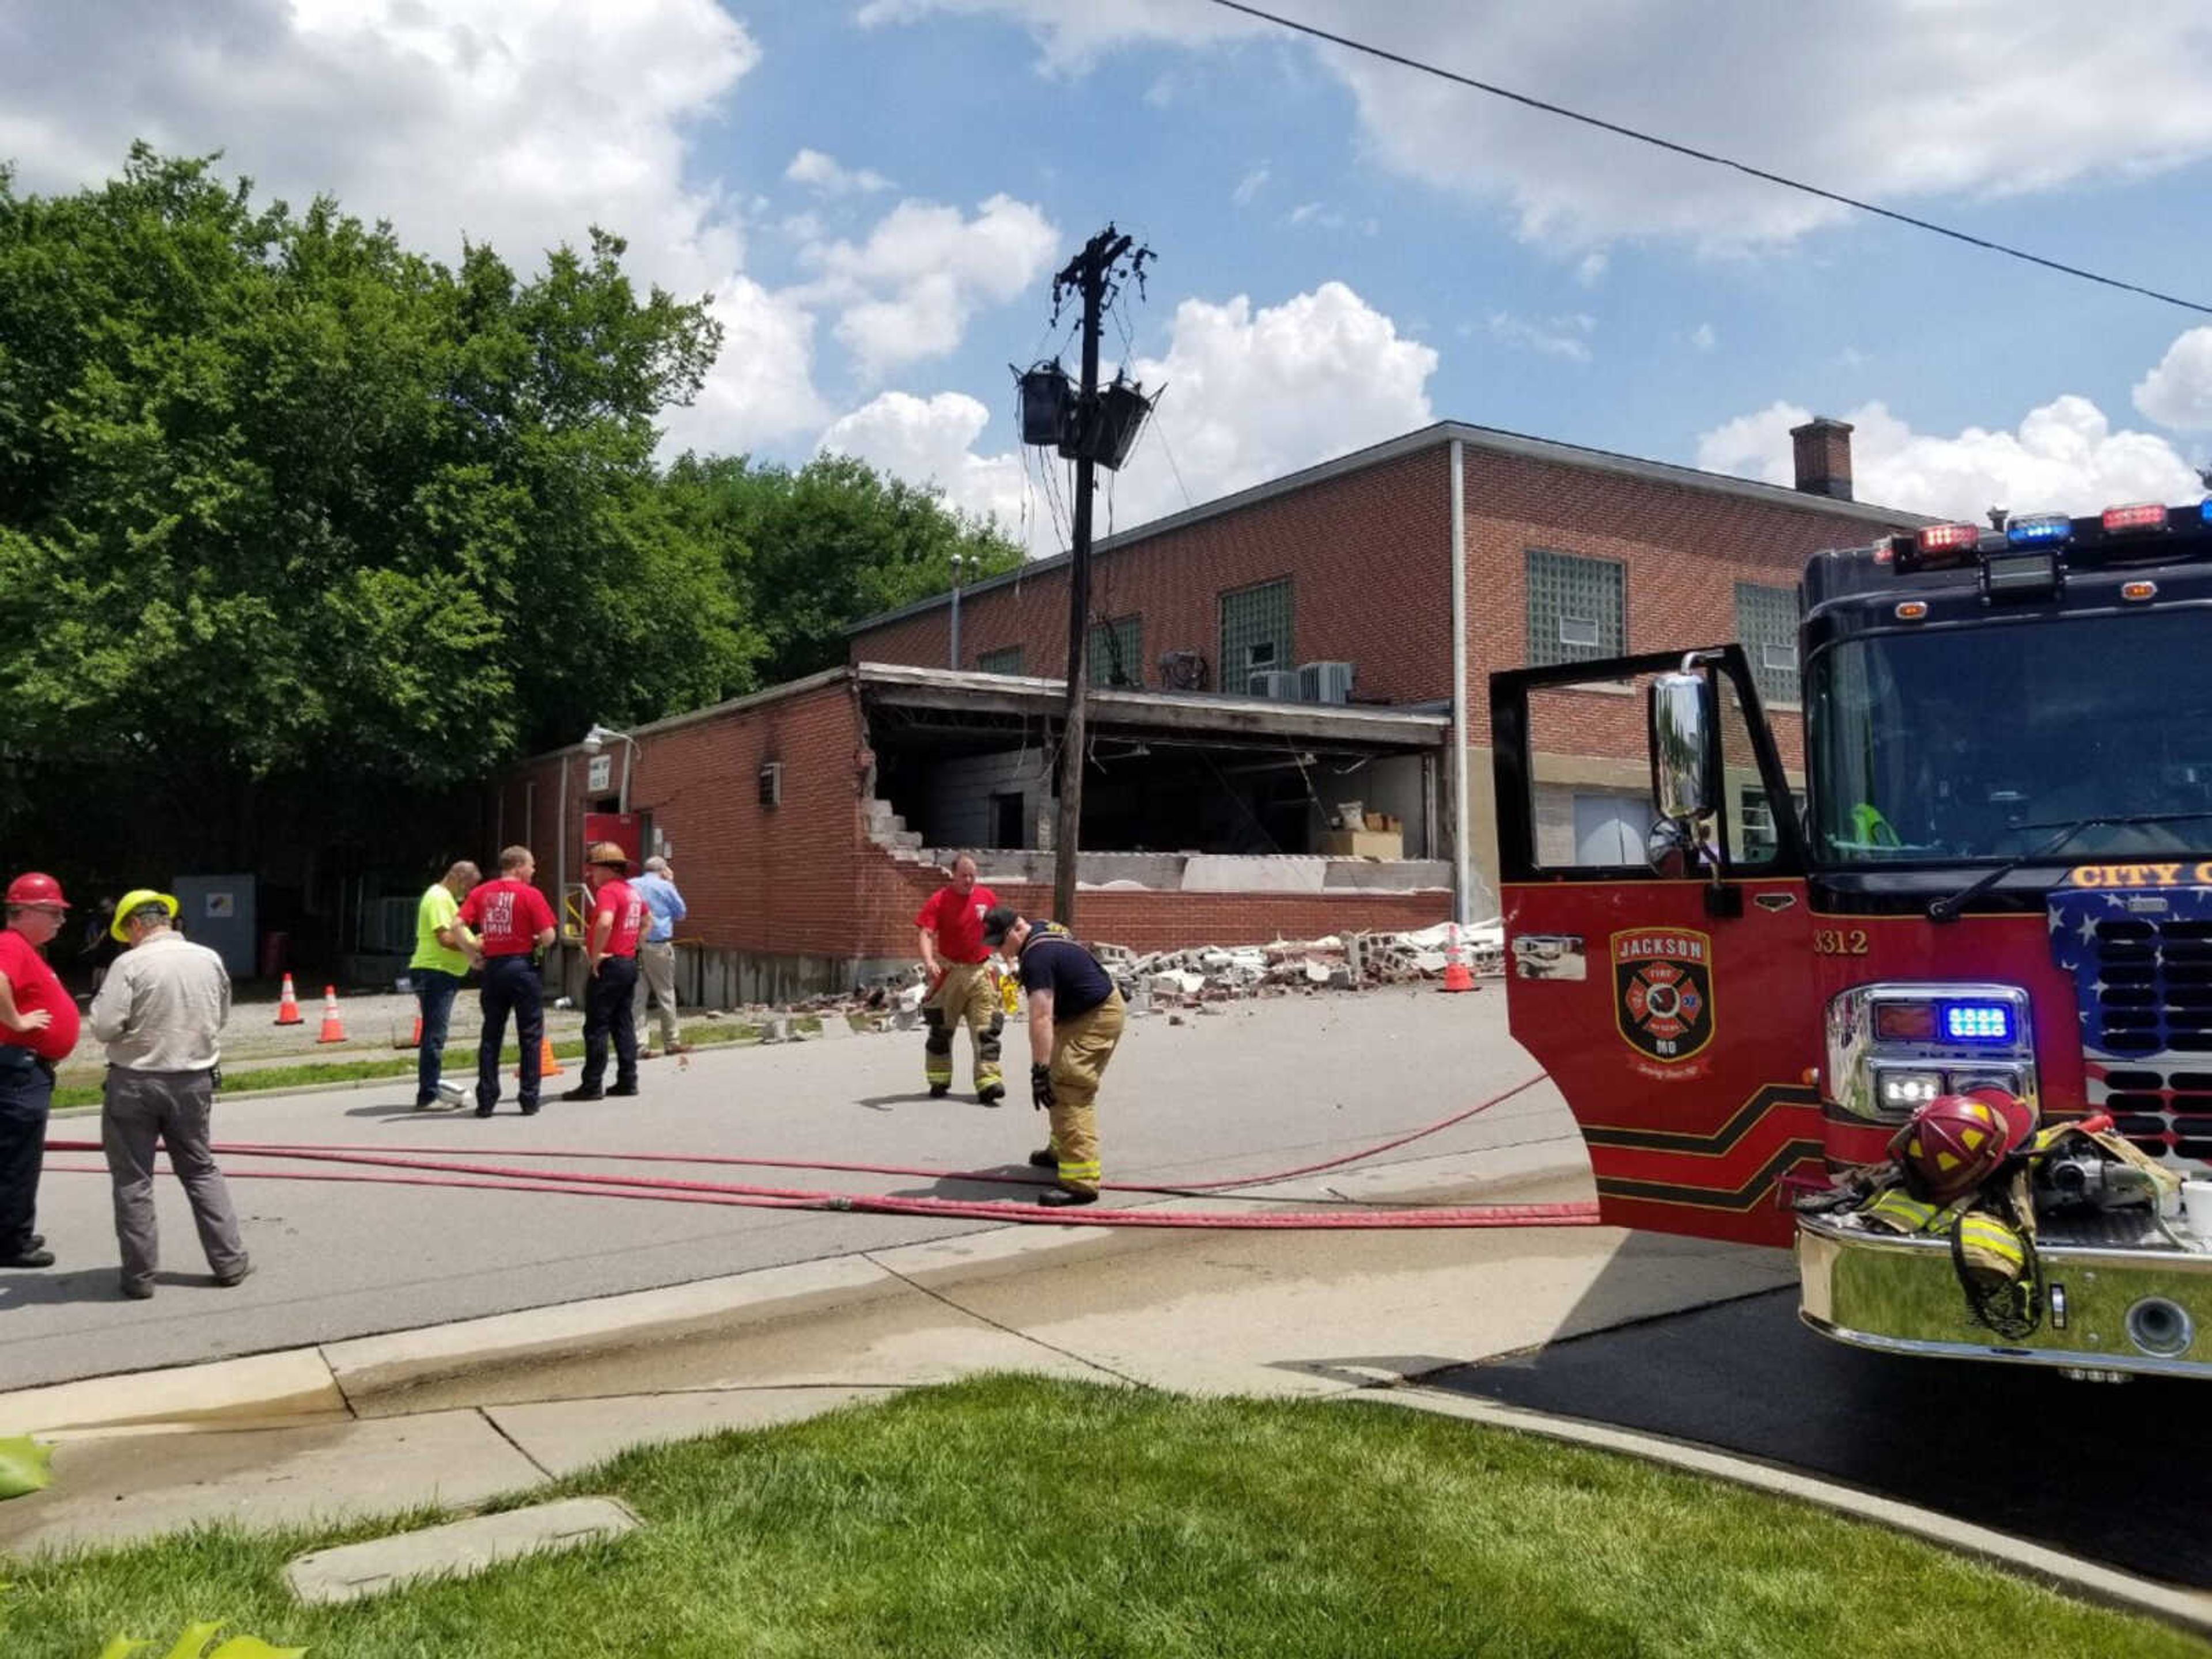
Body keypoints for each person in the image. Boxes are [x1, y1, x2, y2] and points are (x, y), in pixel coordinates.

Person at [88, 889, 249, 1298]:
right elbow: (222, 1016)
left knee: (133, 1182)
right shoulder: (208, 958)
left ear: (135, 924)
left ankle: (140, 1279)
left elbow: (105, 1028)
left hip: (134, 1083)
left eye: (125, 931)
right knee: (200, 1170)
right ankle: (229, 1263)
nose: (126, 940)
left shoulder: (129, 964)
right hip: (193, 1080)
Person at [982, 905, 1124, 1207]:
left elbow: (1041, 1018)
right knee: (1059, 1081)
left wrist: (1039, 1070)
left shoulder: (1036, 957)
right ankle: (1061, 1150)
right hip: (1083, 1010)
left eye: (999, 944)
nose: (998, 951)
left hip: (1095, 1015)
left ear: (1015, 931)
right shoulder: (1043, 930)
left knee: (1069, 1085)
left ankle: (1081, 1181)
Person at [0, 873, 79, 1270]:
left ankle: (11, 1232)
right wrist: (16, 1021)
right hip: (18, 1069)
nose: (59, 922)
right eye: (52, 913)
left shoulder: (24, 948)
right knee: (17, 1158)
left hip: (23, 1067)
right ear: (25, 911)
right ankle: (12, 1243)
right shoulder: (10, 944)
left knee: (15, 1155)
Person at [454, 846, 556, 1118]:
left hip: (494, 968)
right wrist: (535, 939)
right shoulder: (531, 895)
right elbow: (548, 937)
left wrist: (472, 954)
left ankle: (486, 1100)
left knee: (491, 1034)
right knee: (531, 1035)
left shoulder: (481, 893)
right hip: (523, 967)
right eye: (531, 866)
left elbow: (456, 925)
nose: (534, 871)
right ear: (519, 866)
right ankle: (529, 1098)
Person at [915, 854, 1005, 1104]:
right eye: (964, 875)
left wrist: (1009, 962)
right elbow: (926, 933)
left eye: (972, 875)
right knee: (941, 1031)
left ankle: (989, 1083)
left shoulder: (987, 898)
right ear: (953, 874)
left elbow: (1001, 932)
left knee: (987, 1030)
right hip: (951, 974)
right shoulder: (939, 900)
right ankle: (939, 1079)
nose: (968, 880)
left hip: (981, 972)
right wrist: (929, 961)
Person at [566, 841, 642, 1102]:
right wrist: (632, 944)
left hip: (610, 966)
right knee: (623, 1024)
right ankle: (627, 1079)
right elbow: (647, 920)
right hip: (628, 962)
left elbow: (605, 923)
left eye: (594, 869)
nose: (592, 875)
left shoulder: (609, 892)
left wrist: (596, 956)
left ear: (608, 869)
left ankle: (592, 1084)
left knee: (596, 1026)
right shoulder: (632, 892)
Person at [408, 859, 480, 1109]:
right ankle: (427, 1094)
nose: (468, 893)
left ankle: (429, 1088)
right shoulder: (439, 897)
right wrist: (475, 946)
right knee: (435, 1035)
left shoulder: (444, 897)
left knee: (435, 1033)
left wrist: (472, 946)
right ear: (458, 877)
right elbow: (446, 938)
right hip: (436, 972)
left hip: (439, 972)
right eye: (468, 886)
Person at [630, 855, 688, 1056]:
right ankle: (671, 1041)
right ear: (663, 870)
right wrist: (671, 882)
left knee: (638, 996)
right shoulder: (665, 887)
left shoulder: (631, 885)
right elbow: (681, 913)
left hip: (633, 945)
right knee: (665, 993)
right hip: (658, 946)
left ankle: (640, 1045)